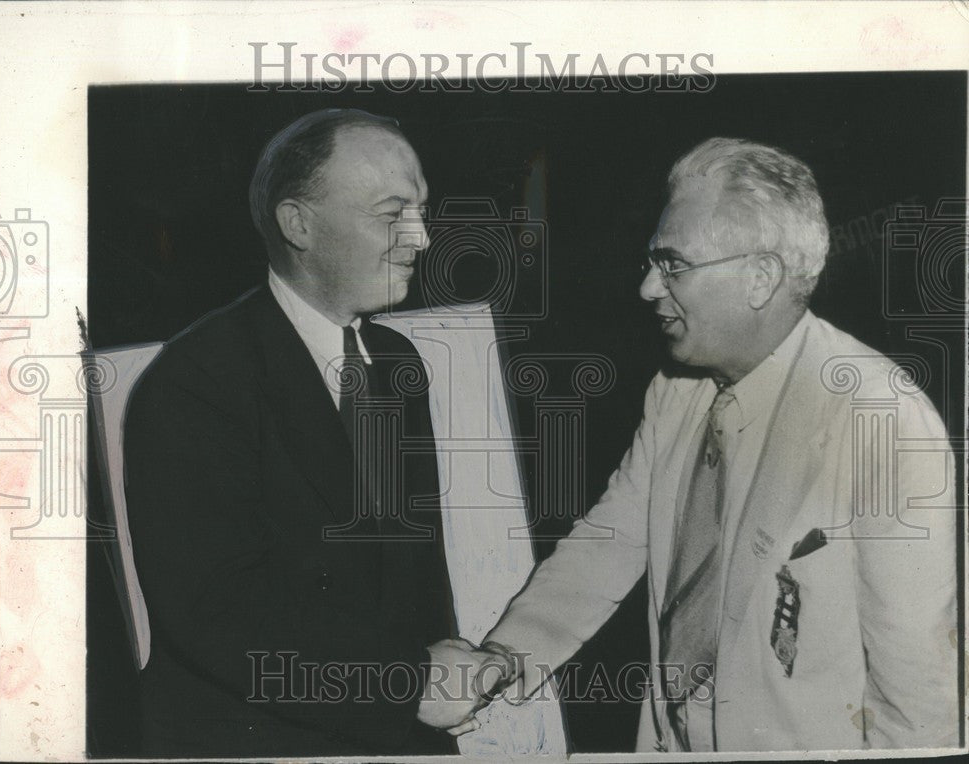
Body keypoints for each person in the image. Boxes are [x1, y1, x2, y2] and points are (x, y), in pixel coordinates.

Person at [425, 137, 959, 751]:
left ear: (761, 277)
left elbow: (918, 689)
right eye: (653, 263)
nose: (649, 288)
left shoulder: (879, 416)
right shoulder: (676, 392)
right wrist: (505, 656)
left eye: (673, 264)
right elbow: (611, 541)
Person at [123, 109, 489, 757]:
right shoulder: (197, 380)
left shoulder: (396, 361)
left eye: (421, 210)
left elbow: (409, 574)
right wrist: (407, 684)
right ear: (299, 224)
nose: (422, 237)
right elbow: (218, 610)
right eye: (391, 212)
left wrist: (439, 677)